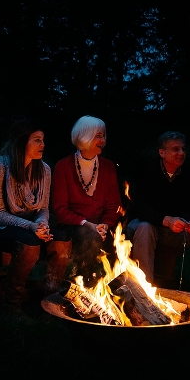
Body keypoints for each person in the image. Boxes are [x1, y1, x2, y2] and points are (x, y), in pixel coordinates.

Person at [0, 119, 71, 313]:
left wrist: (42, 223)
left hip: (31, 226)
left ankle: (50, 300)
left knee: (61, 238)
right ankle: (12, 305)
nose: (43, 144)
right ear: (21, 142)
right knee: (29, 242)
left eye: (43, 140)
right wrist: (31, 227)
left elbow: (43, 208)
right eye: (37, 140)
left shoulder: (44, 170)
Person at [125, 131, 190, 304]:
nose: (181, 153)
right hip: (149, 226)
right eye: (175, 149)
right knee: (144, 228)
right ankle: (144, 295)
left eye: (183, 149)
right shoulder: (147, 171)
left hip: (177, 230)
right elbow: (139, 208)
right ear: (161, 152)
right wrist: (166, 220)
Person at [51, 115, 123, 288]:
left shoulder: (108, 166)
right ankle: (86, 285)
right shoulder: (63, 166)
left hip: (101, 226)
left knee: (121, 239)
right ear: (85, 136)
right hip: (73, 225)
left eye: (104, 135)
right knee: (89, 236)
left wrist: (105, 224)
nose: (103, 140)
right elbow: (60, 208)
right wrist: (87, 224)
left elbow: (114, 204)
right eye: (98, 136)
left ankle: (115, 289)